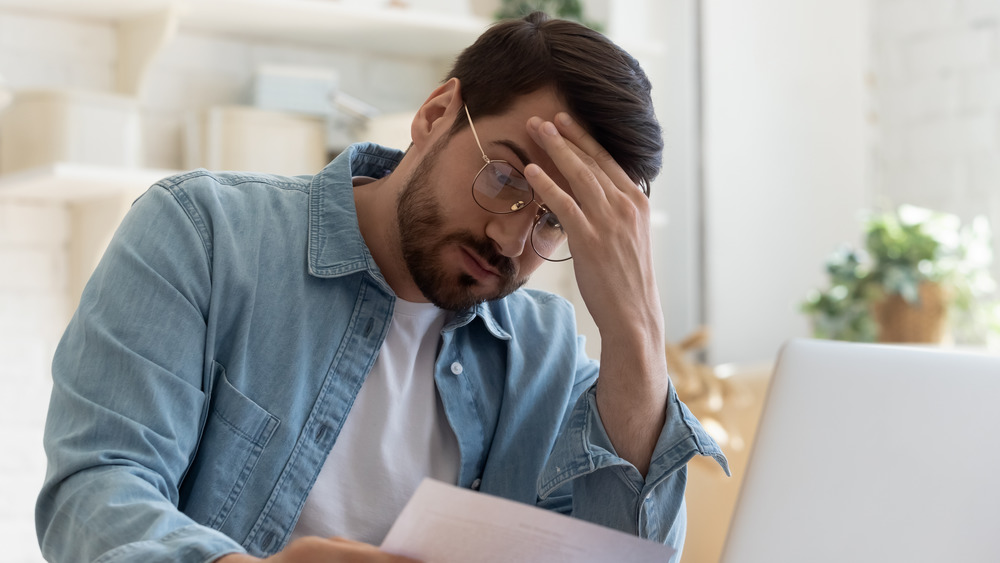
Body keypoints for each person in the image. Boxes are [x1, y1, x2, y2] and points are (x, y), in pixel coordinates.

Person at [36, 11, 728, 563]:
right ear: (435, 115)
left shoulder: (542, 346)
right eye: (508, 179)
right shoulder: (206, 234)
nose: (512, 241)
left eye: (553, 220)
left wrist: (636, 336)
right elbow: (95, 490)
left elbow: (623, 557)